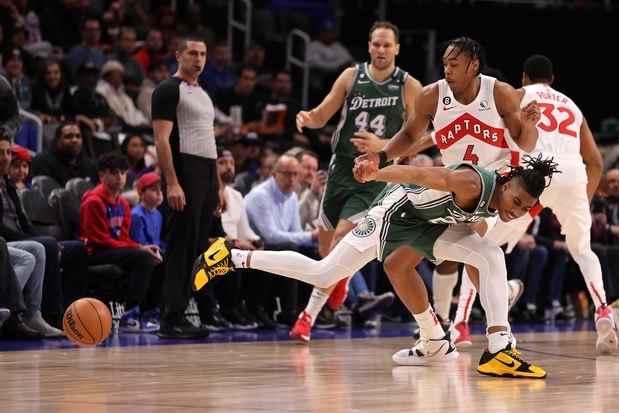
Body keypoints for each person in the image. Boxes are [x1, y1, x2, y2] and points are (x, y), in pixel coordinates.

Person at [195, 156, 557, 378]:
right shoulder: (471, 182)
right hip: (394, 213)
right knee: (325, 273)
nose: (518, 210)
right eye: (517, 201)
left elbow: (474, 255)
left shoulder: (495, 209)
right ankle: (231, 256)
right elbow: (418, 174)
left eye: (526, 208)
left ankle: (468, 344)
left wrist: (496, 294)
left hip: (428, 226)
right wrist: (376, 174)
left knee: (488, 254)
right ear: (506, 182)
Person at [353, 37, 539, 354]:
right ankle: (480, 304)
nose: (447, 69)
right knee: (413, 259)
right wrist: (383, 155)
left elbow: (527, 142)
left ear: (474, 65)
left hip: (491, 189)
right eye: (445, 64)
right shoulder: (433, 96)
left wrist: (528, 124)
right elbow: (414, 136)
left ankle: (484, 331)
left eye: (454, 64)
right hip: (452, 186)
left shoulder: (499, 93)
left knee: (473, 252)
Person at [447, 55, 617, 354]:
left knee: (478, 247)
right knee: (582, 250)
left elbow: (501, 139)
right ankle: (603, 312)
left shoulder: (519, 94)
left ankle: (460, 325)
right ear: (552, 79)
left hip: (534, 173)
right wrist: (581, 198)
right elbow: (596, 162)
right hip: (573, 174)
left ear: (525, 77)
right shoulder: (572, 105)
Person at [291, 21, 422, 342]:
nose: (381, 50)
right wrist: (308, 117)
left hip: (374, 174)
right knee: (326, 255)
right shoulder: (351, 76)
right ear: (369, 46)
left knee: (340, 240)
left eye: (387, 45)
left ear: (397, 49)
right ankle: (344, 283)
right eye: (376, 44)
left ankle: (306, 318)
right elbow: (324, 114)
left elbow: (419, 137)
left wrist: (384, 146)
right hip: (340, 171)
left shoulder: (409, 85)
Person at [151, 37, 216, 339]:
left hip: (205, 172)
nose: (198, 59)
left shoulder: (203, 93)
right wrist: (172, 182)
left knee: (197, 249)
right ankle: (170, 317)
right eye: (192, 53)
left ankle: (184, 311)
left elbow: (208, 141)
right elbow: (162, 140)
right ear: (178, 55)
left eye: (202, 54)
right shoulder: (167, 89)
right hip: (184, 173)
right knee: (180, 248)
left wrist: (217, 186)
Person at [80, 152, 161, 333]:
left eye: (123, 173)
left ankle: (149, 312)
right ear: (102, 175)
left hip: (114, 249)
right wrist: (139, 248)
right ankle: (128, 310)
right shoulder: (93, 201)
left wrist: (141, 247)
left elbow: (123, 238)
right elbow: (99, 240)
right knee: (143, 258)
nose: (120, 178)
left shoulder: (122, 203)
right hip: (95, 252)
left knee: (159, 259)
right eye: (114, 173)